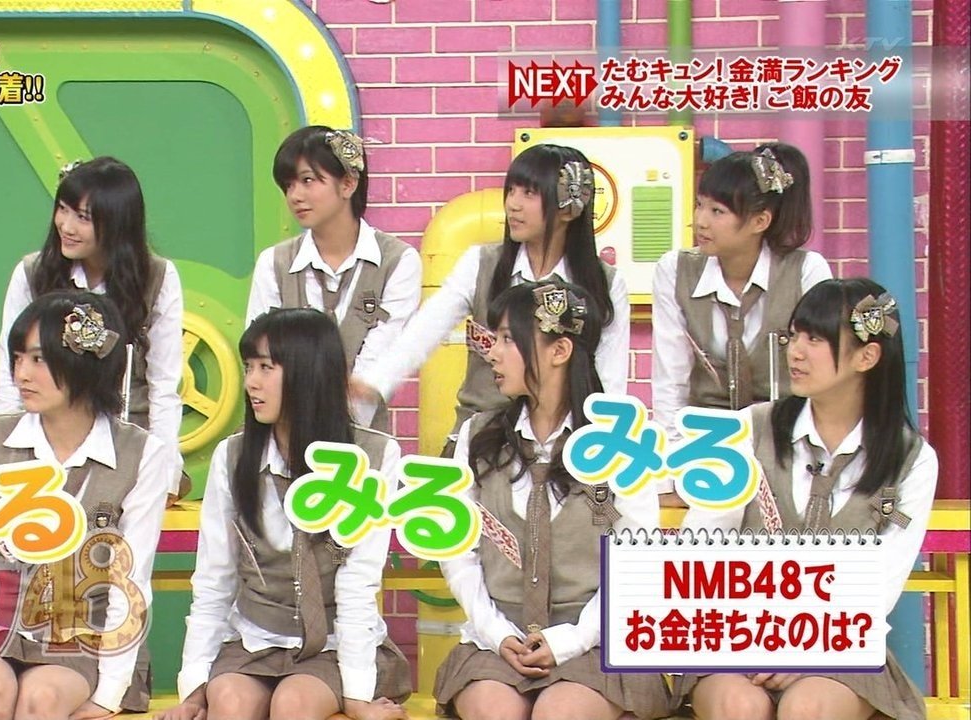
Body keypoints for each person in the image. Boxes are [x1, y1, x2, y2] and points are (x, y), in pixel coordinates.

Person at [676, 278, 937, 720]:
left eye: (814, 339)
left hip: (841, 643)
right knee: (740, 707)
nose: (795, 351)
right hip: (736, 634)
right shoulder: (748, 430)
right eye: (794, 335)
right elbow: (699, 545)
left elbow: (881, 582)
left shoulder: (911, 459)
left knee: (807, 708)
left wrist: (806, 647)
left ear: (867, 356)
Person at [0, 291, 177, 720]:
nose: (22, 374)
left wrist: (109, 692)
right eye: (18, 358)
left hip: (78, 634)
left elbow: (129, 579)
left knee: (42, 700)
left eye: (39, 359)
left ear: (84, 364)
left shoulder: (141, 453)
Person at [432, 280, 667, 720]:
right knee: (496, 713)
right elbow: (458, 551)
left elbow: (638, 565)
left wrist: (571, 640)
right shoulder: (478, 436)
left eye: (508, 339)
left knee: (558, 714)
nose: (492, 353)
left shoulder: (620, 442)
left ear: (559, 351)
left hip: (596, 641)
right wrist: (496, 632)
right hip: (500, 639)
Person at [162, 308, 412, 720]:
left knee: (293, 704)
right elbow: (214, 579)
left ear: (308, 373)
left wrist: (357, 695)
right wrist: (192, 690)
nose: (251, 382)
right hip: (253, 639)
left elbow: (358, 582)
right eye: (248, 367)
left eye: (266, 368)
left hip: (330, 644)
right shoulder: (233, 456)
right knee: (230, 703)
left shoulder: (372, 456)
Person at [352, 144, 629, 455]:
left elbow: (610, 384)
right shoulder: (481, 264)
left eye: (529, 193)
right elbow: (425, 329)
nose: (513, 205)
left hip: (563, 449)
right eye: (511, 191)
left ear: (569, 208)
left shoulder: (604, 284)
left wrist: (604, 454)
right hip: (478, 441)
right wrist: (374, 381)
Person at [0, 156, 186, 501]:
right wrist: (2, 452)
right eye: (62, 210)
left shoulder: (156, 277)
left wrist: (163, 470)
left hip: (126, 438)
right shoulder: (34, 273)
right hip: (45, 439)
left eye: (83, 217)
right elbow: (9, 376)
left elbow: (164, 385)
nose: (66, 226)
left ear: (118, 222)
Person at [651, 142, 832, 460]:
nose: (700, 221)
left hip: (785, 441)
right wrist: (673, 458)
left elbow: (824, 374)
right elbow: (671, 379)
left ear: (760, 221)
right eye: (700, 205)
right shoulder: (675, 270)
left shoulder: (806, 270)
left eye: (717, 211)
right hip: (702, 441)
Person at [246, 126, 421, 430]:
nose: (295, 196)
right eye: (288, 185)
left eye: (307, 181)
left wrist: (336, 431)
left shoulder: (397, 262)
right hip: (281, 434)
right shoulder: (274, 264)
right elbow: (259, 356)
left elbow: (376, 365)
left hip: (360, 438)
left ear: (348, 183)